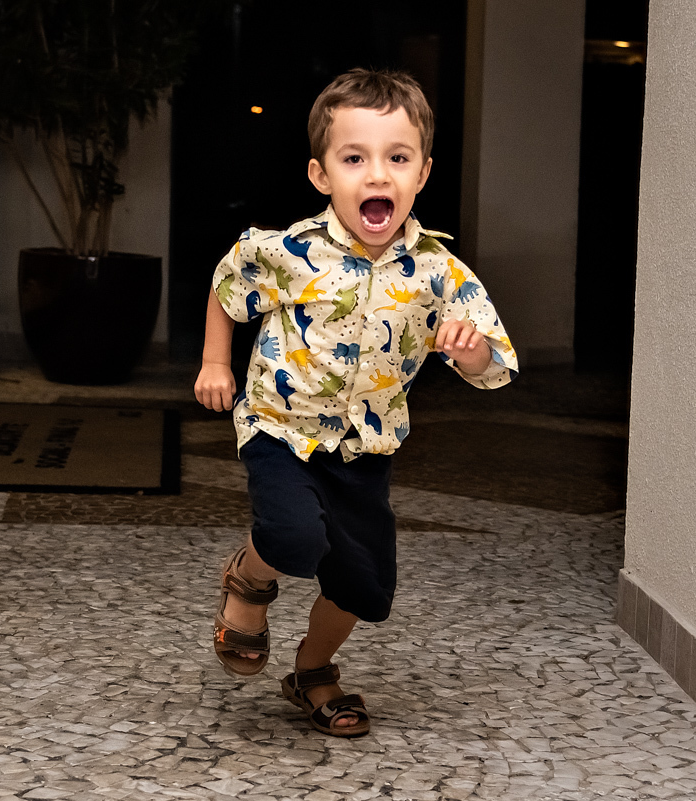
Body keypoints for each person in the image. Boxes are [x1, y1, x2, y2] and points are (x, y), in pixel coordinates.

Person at [194, 68, 518, 737]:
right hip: (280, 429)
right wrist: (215, 361)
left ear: (422, 173)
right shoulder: (289, 251)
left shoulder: (440, 272)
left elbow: (495, 362)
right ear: (321, 174)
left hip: (365, 448)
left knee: (364, 586)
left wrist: (468, 350)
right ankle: (249, 581)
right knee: (295, 536)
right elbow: (229, 287)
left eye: (397, 159)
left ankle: (313, 670)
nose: (377, 175)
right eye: (355, 158)